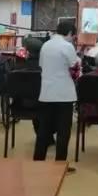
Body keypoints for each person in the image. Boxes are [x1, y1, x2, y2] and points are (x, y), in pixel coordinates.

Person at [33, 20, 80, 172]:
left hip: (46, 93)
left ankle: (37, 161)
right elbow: (75, 70)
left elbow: (41, 66)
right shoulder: (67, 46)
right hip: (64, 95)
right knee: (63, 131)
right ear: (70, 33)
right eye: (73, 36)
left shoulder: (45, 45)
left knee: (43, 130)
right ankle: (59, 165)